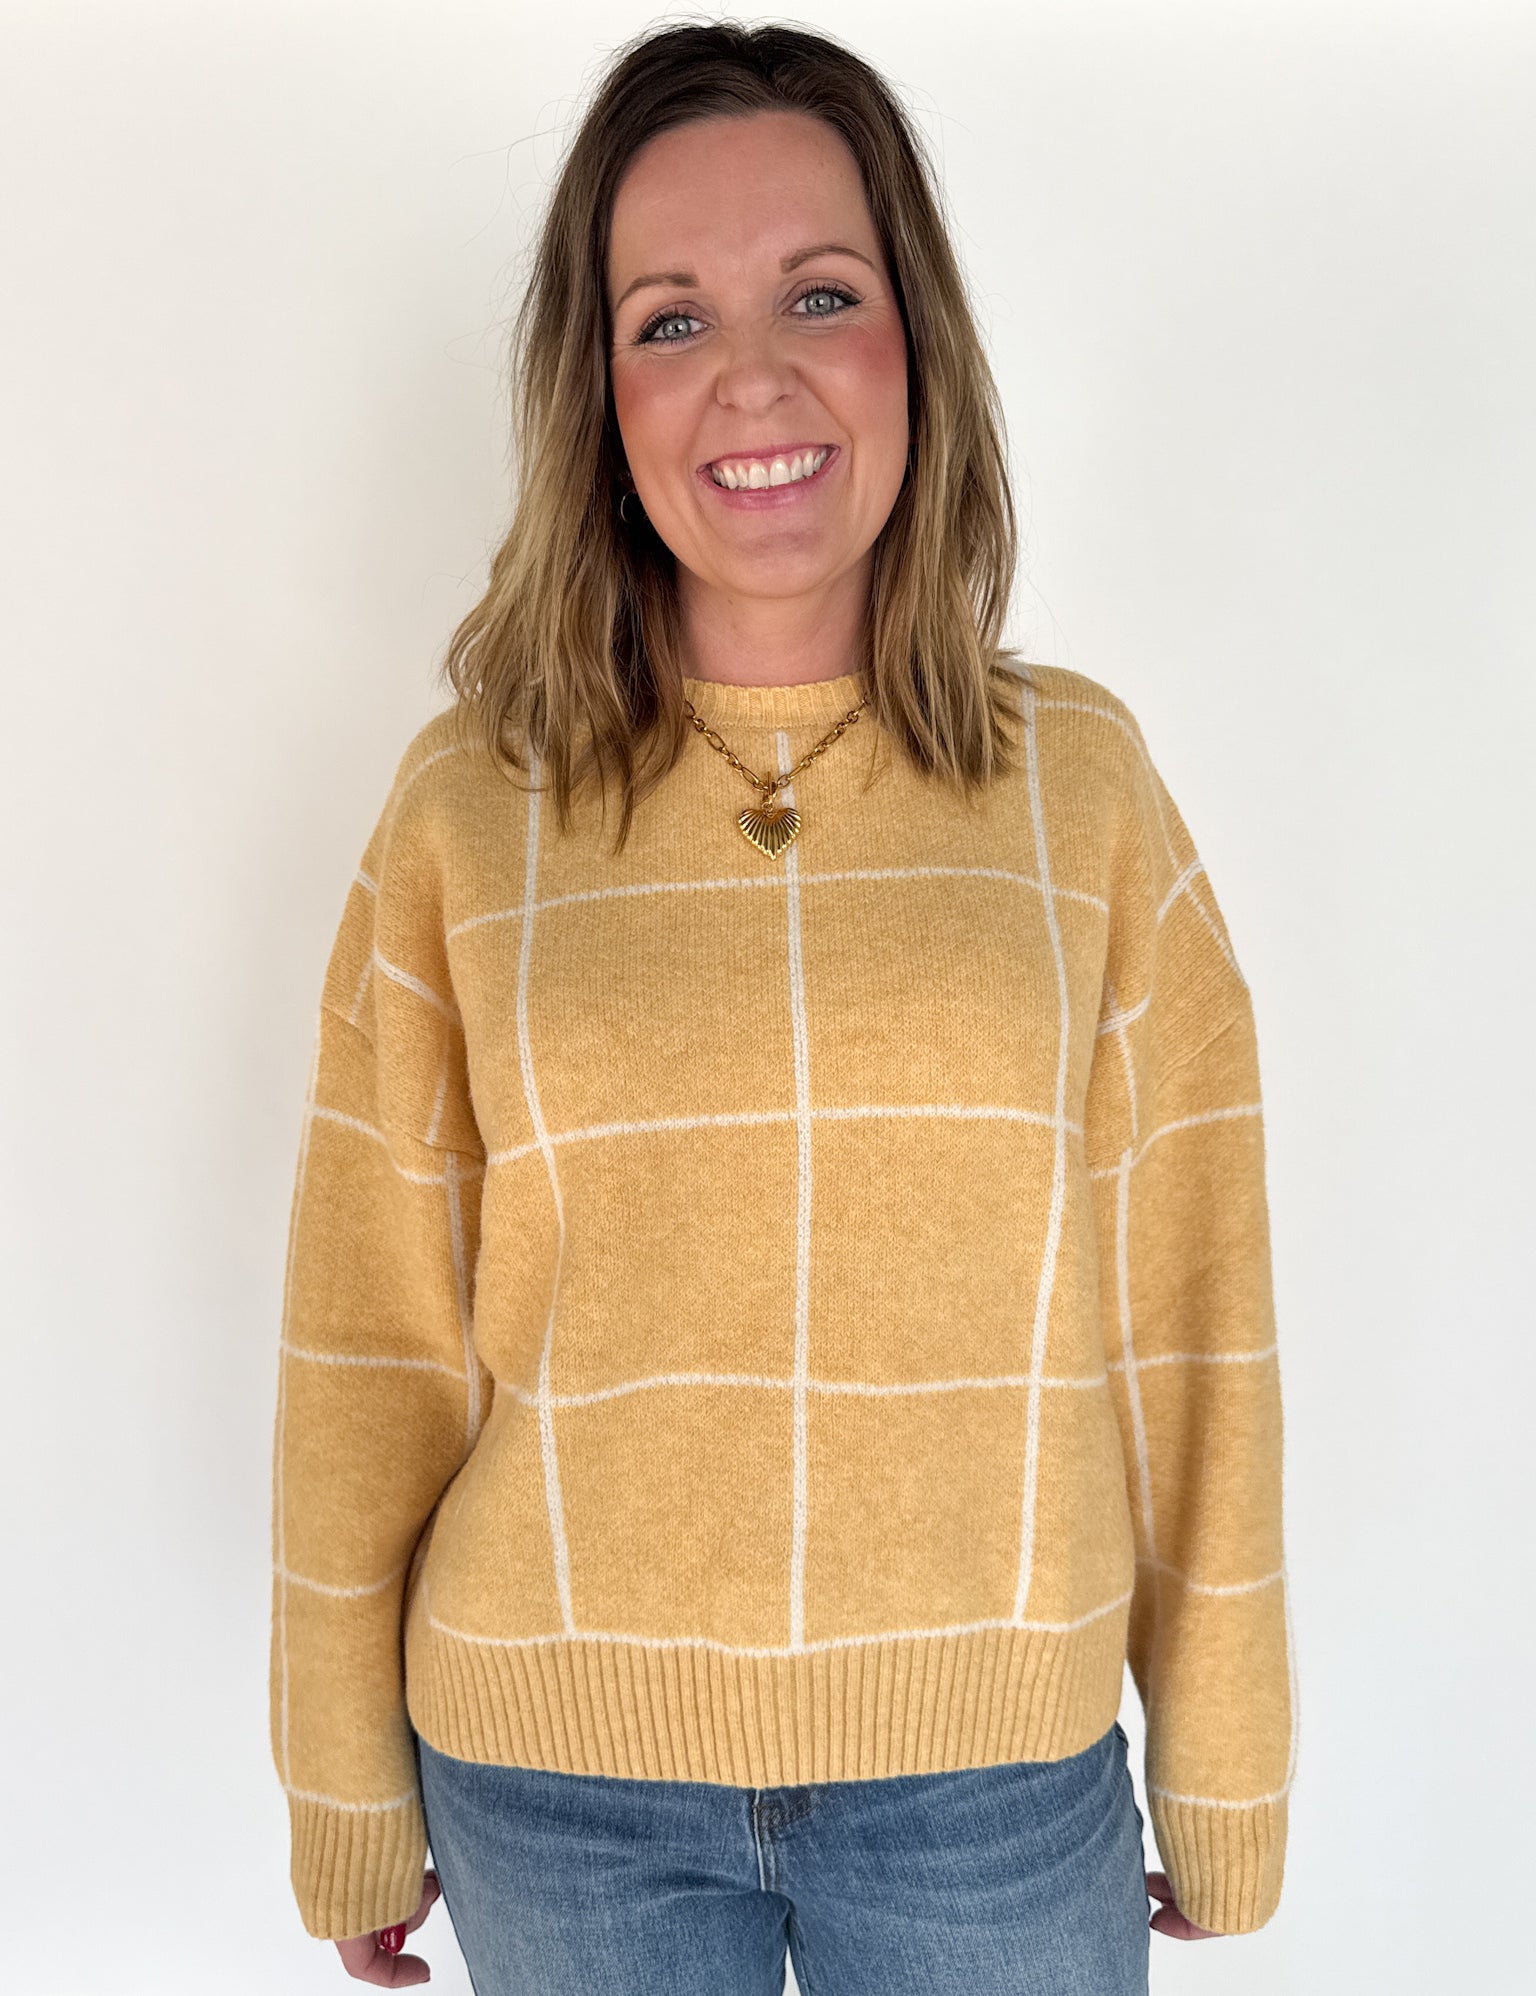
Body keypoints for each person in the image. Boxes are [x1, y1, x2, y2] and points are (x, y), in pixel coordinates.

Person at [268, 20, 1297, 1993]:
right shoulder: (470, 807)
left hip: (992, 1779)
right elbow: (365, 1340)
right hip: (554, 1784)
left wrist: (1227, 1751)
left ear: (918, 341)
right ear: (599, 396)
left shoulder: (1078, 789)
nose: (751, 374)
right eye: (670, 320)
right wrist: (342, 1780)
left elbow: (1194, 1302)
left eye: (820, 293)